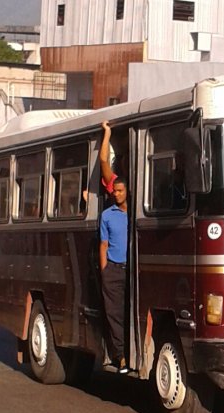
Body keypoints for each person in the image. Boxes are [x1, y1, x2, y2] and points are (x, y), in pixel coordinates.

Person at [99, 121, 128, 373]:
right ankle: (120, 357)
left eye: (120, 190)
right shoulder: (108, 214)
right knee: (114, 314)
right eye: (114, 190)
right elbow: (103, 161)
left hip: (133, 268)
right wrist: (107, 133)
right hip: (114, 269)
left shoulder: (139, 211)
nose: (116, 193)